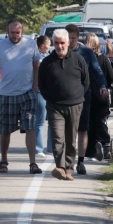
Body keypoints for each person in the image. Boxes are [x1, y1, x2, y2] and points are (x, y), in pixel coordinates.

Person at [0, 19, 42, 174]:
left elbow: (37, 66)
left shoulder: (31, 44)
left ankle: (33, 163)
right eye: (12, 32)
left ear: (22, 32)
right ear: (7, 32)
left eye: (18, 32)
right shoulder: (0, 45)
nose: (15, 35)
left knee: (30, 127)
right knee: (4, 130)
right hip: (7, 93)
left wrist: (35, 86)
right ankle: (3, 161)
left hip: (27, 92)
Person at [38, 29, 89, 180]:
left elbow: (86, 82)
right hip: (55, 106)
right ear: (53, 44)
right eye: (56, 43)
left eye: (62, 43)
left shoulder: (78, 60)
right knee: (57, 137)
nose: (59, 46)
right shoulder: (47, 62)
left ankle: (69, 168)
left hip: (75, 105)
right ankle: (60, 167)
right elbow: (41, 84)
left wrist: (78, 97)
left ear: (68, 42)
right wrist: (50, 98)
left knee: (70, 138)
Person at [64, 24, 108, 175]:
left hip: (84, 95)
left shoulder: (86, 52)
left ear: (78, 38)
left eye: (73, 38)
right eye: (68, 38)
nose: (70, 42)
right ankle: (67, 160)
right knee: (68, 131)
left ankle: (81, 162)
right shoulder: (60, 51)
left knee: (83, 129)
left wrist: (102, 85)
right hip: (65, 97)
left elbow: (96, 70)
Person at [83, 34, 113, 160]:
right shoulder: (103, 59)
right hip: (102, 95)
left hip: (87, 95)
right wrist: (105, 86)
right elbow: (111, 76)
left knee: (89, 123)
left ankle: (92, 149)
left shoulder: (82, 59)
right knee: (101, 121)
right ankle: (105, 144)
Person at [34, 35, 52, 158]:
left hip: (51, 92)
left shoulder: (49, 57)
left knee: (52, 120)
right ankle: (39, 148)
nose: (50, 47)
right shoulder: (37, 58)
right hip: (40, 91)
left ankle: (50, 148)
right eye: (48, 45)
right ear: (42, 46)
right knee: (40, 121)